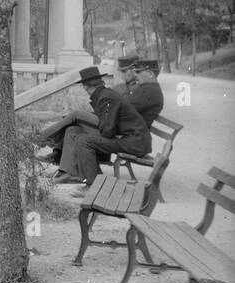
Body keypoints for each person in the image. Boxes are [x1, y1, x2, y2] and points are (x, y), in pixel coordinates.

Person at [52, 65, 151, 195]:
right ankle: (71, 173)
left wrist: (89, 124)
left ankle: (92, 186)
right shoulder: (105, 94)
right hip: (132, 139)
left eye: (84, 86)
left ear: (86, 86)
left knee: (84, 140)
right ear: (100, 82)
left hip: (134, 141)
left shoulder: (106, 97)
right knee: (74, 130)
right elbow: (107, 122)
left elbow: (107, 131)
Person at [128, 59, 165, 127]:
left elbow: (125, 108)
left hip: (135, 134)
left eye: (138, 72)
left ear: (150, 74)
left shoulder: (149, 91)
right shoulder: (150, 89)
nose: (135, 75)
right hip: (134, 132)